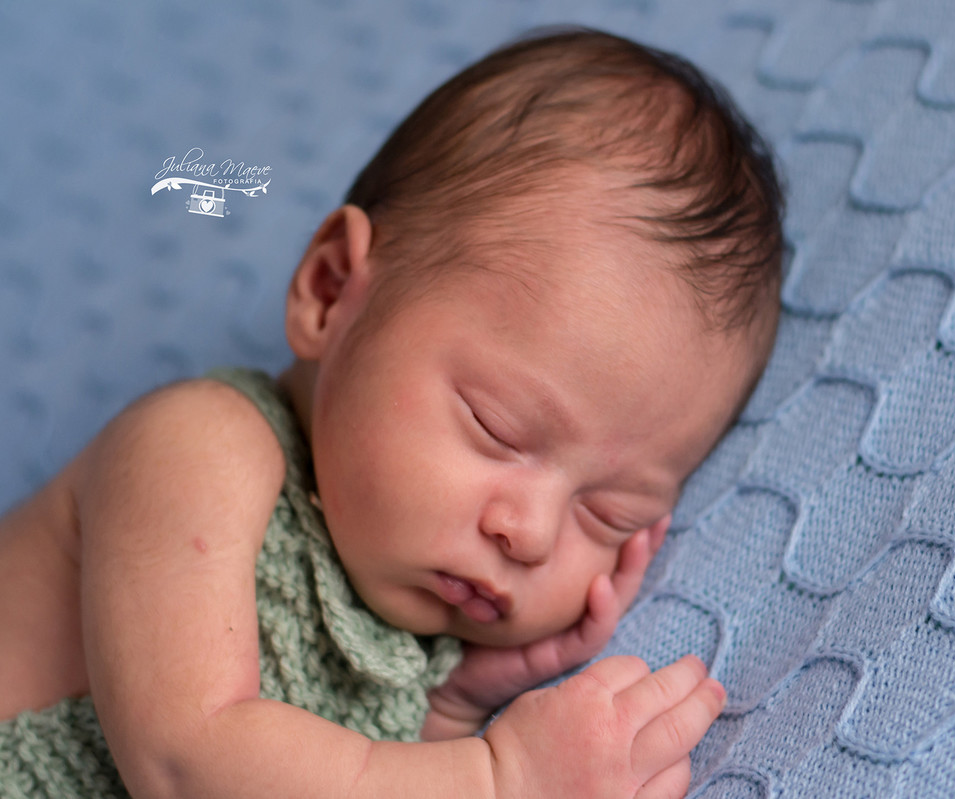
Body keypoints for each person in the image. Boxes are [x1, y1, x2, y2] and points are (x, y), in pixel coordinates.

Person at [0, 26, 784, 799]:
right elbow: (186, 761)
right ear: (333, 288)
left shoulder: (401, 621)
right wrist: (498, 777)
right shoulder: (199, 444)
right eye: (495, 426)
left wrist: (450, 704)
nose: (532, 532)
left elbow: (351, 765)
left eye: (609, 514)